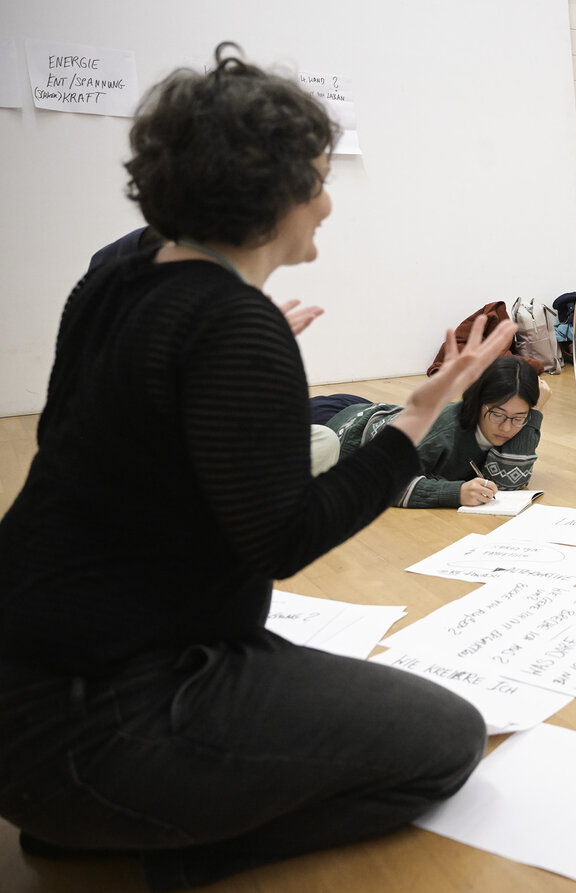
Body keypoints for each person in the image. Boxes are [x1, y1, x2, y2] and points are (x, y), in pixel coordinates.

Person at [0, 44, 518, 891]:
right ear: (263, 194)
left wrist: (230, 359)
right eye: (315, 178)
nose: (325, 200)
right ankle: (151, 842)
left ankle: (88, 821)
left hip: (29, 691)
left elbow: (87, 423)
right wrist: (414, 420)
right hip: (96, 719)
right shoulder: (234, 326)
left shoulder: (115, 275)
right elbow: (284, 536)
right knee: (447, 742)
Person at [324, 356, 551, 507]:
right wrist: (454, 493)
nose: (507, 427)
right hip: (345, 434)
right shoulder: (444, 432)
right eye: (497, 415)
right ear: (477, 401)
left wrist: (534, 415)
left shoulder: (514, 420)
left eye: (519, 418)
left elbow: (506, 484)